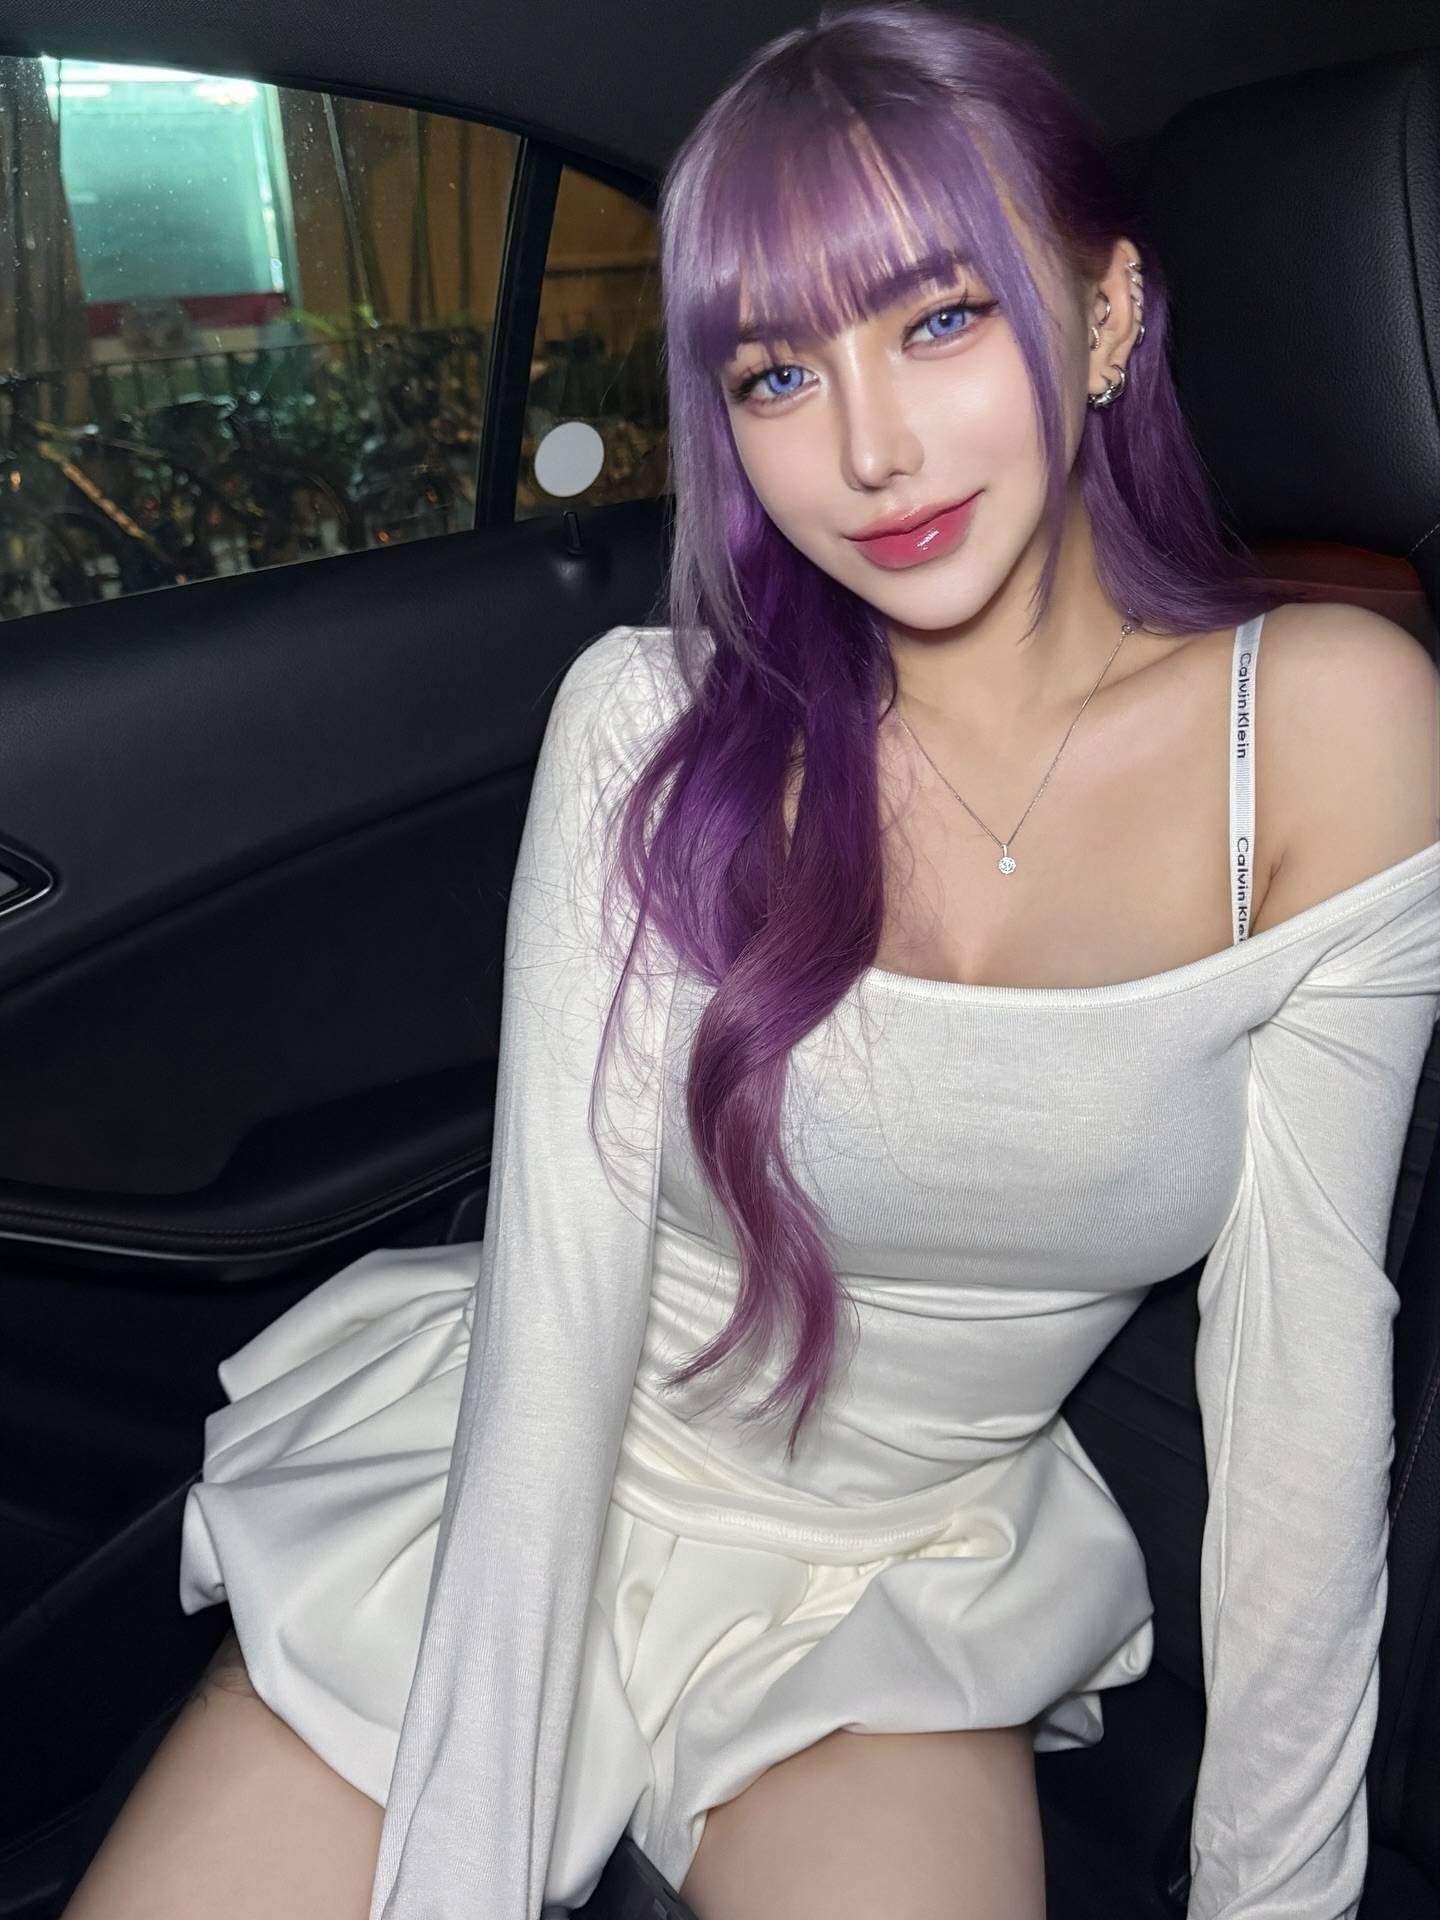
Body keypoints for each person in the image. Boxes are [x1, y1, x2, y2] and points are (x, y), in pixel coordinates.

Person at [60, 6, 1440, 1920]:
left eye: (941, 318)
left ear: (1109, 314)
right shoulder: (652, 727)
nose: (869, 449)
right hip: (533, 1475)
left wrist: (1277, 1900)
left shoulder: (1331, 731)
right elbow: (556, 1335)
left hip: (897, 1576)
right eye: (779, 372)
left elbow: (1301, 1392)